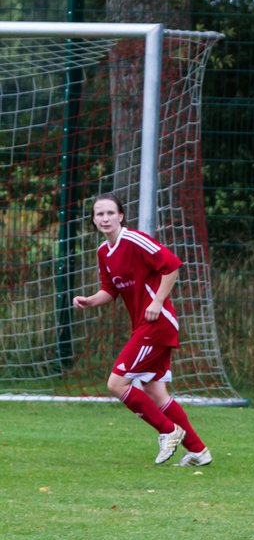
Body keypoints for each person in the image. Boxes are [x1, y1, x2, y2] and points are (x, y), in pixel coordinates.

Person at [73, 193, 211, 466]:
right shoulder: (103, 252)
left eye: (110, 213)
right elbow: (109, 290)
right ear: (93, 220)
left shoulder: (134, 240)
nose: (105, 218)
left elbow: (172, 265)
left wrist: (158, 302)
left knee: (116, 383)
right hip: (145, 326)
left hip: (157, 324)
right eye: (99, 214)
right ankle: (198, 450)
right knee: (156, 392)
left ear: (121, 216)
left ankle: (169, 431)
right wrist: (90, 301)